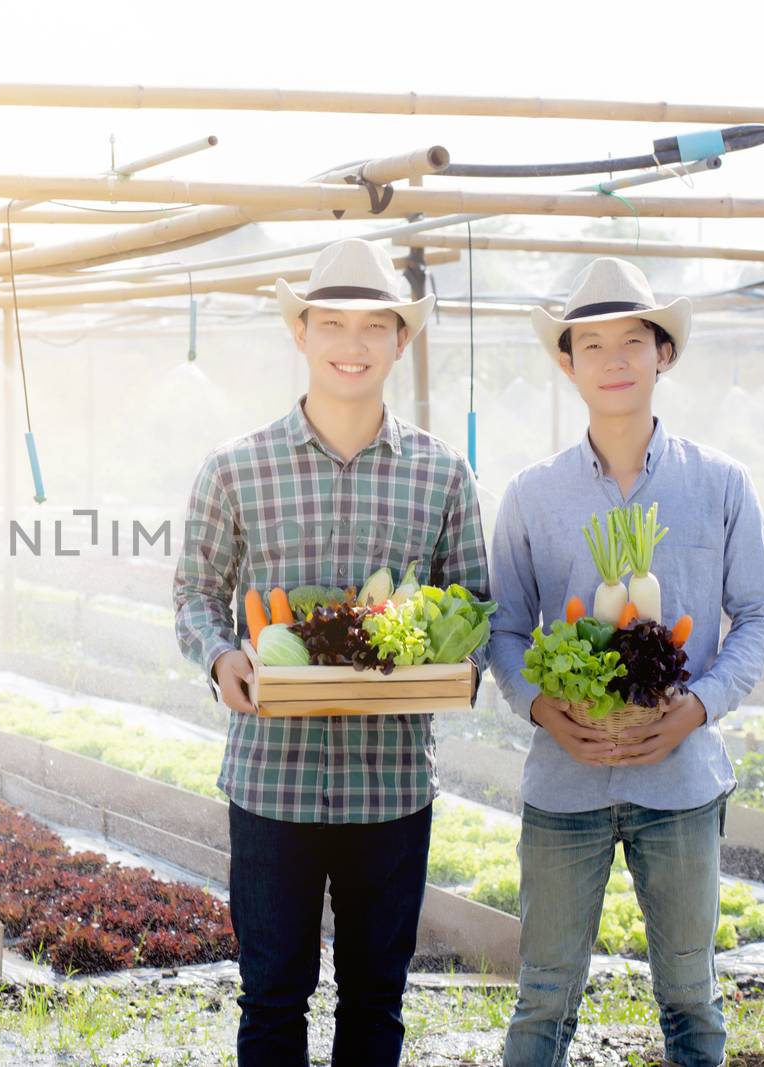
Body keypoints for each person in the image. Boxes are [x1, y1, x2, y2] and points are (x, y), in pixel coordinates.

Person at [173, 237, 489, 1066]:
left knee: (376, 1000)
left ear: (400, 341)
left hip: (390, 783)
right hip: (272, 777)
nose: (352, 344)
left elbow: (477, 604)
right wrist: (220, 658)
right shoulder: (236, 468)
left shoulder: (442, 474)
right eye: (333, 324)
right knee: (272, 996)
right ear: (301, 334)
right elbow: (193, 595)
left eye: (373, 326)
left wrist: (452, 663)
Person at [488, 256, 764, 1067]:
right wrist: (542, 706)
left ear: (664, 353)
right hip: (565, 782)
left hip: (682, 781)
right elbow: (506, 630)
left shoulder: (720, 484)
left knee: (692, 996)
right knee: (544, 997)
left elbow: (763, 611)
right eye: (592, 344)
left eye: (634, 339)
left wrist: (700, 704)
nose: (614, 359)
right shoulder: (531, 494)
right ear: (567, 361)